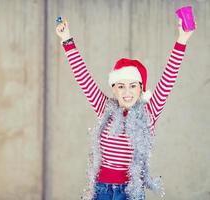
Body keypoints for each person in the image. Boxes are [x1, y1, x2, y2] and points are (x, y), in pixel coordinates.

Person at [55, 17, 195, 200]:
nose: (127, 92)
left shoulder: (149, 113)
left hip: (130, 192)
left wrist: (182, 40)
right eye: (121, 86)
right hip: (100, 190)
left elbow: (168, 77)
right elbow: (83, 78)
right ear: (114, 88)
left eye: (132, 86)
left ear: (141, 88)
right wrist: (67, 39)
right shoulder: (104, 108)